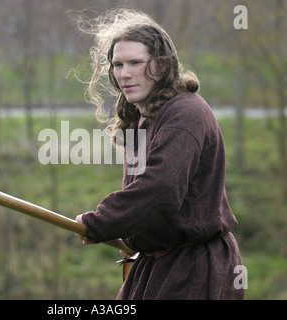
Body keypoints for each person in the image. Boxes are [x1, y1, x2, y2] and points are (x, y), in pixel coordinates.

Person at [74, 8, 245, 300]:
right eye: (117, 64)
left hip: (194, 268)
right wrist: (126, 233)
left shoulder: (185, 113)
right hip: (154, 263)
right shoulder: (141, 117)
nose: (124, 73)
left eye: (136, 63)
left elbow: (161, 190)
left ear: (162, 66)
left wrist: (100, 222)